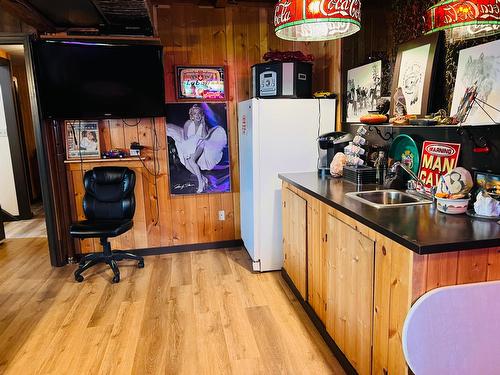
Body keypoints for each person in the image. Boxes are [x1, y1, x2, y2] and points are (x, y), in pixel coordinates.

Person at [167, 104, 227, 193]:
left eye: (199, 113)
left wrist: (203, 124)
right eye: (195, 114)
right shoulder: (188, 123)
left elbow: (204, 137)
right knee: (187, 164)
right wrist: (188, 149)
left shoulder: (204, 125)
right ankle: (203, 178)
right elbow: (185, 138)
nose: (197, 115)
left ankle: (200, 183)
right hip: (191, 144)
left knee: (192, 161)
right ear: (192, 115)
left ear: (202, 115)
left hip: (201, 143)